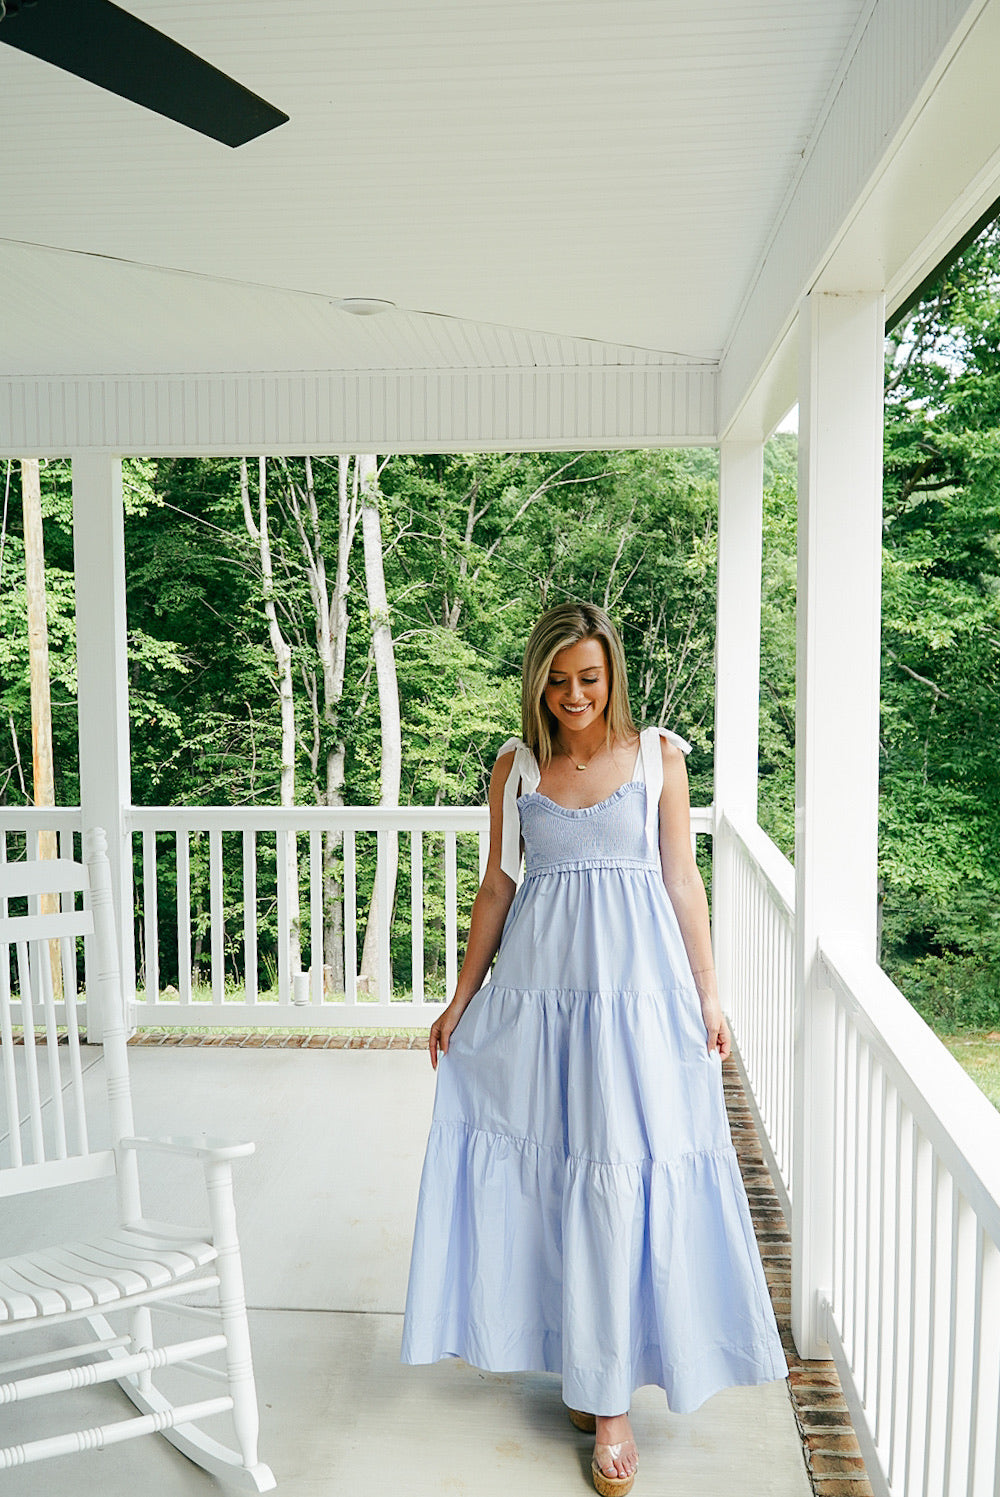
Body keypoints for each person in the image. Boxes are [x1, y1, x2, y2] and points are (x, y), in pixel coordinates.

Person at [401, 603, 788, 1496]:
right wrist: (461, 999)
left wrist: (710, 991)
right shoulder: (516, 767)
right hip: (540, 1008)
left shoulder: (659, 757)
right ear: (537, 679)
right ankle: (586, 1360)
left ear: (612, 673)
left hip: (636, 1005)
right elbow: (498, 888)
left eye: (590, 676)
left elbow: (682, 880)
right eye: (558, 677)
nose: (575, 693)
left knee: (620, 1173)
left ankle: (611, 1402)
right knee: (558, 1176)